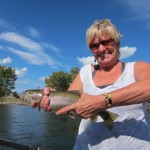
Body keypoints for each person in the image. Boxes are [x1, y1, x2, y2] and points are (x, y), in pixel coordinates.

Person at [41, 19, 150, 149]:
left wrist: (102, 101)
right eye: (94, 45)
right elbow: (69, 101)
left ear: (117, 43)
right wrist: (52, 97)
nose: (101, 49)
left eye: (106, 42)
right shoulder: (85, 72)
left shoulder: (136, 68)